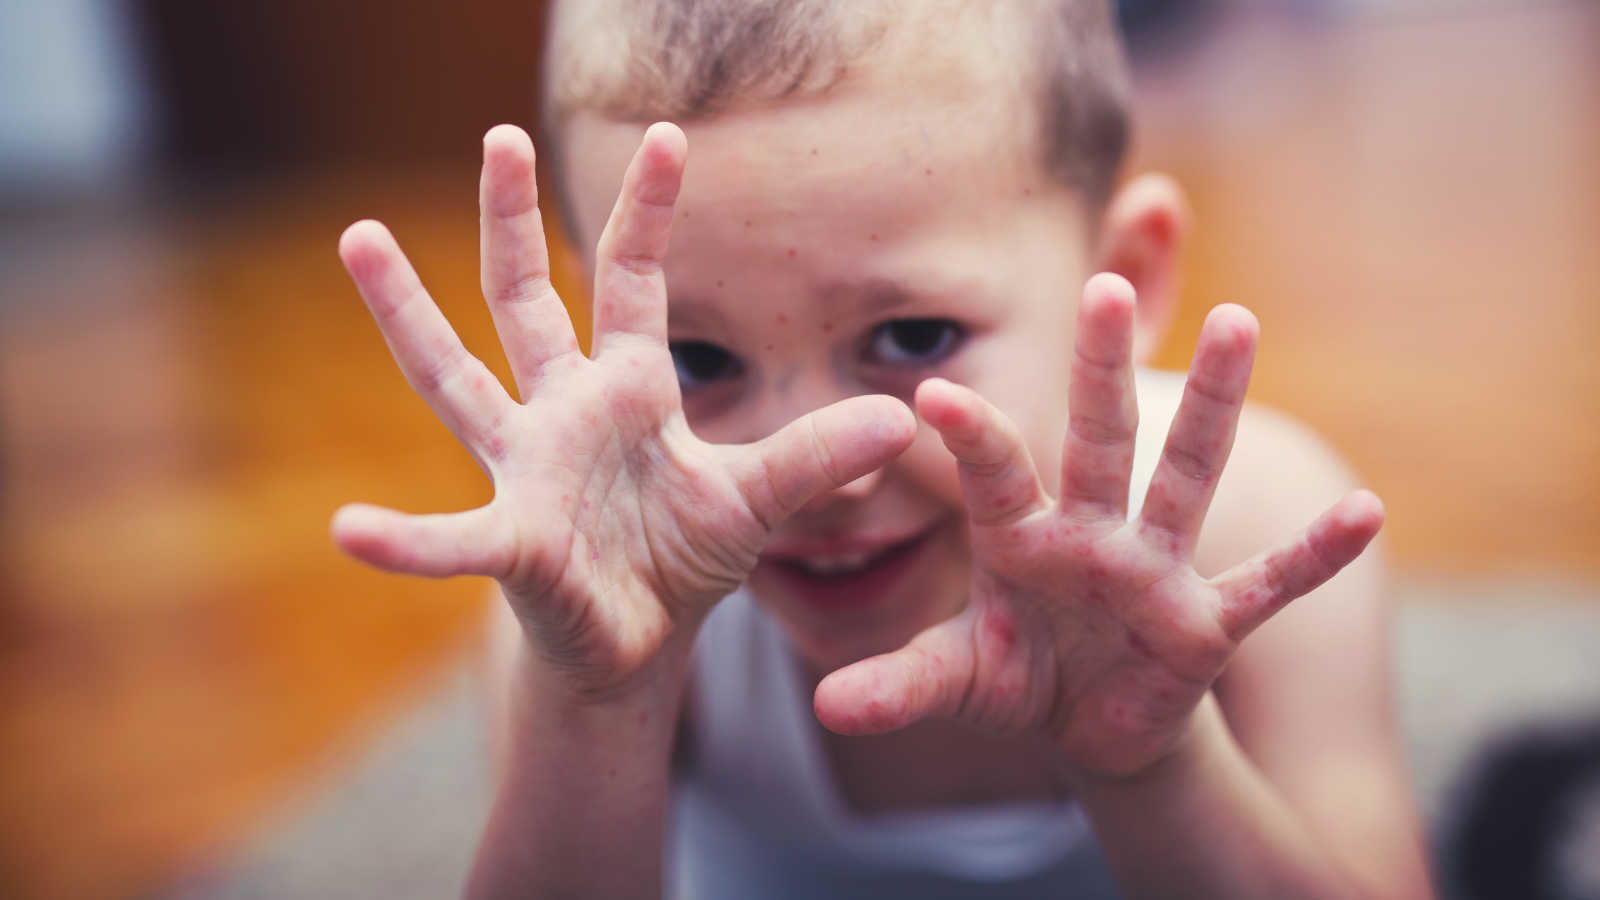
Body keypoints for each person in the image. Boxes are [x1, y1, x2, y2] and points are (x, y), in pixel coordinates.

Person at [330, 1, 1434, 897]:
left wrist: (1155, 762)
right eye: (695, 355)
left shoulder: (1254, 536)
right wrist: (598, 702)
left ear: (1128, 278)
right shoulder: (599, 609)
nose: (822, 466)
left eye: (910, 337)